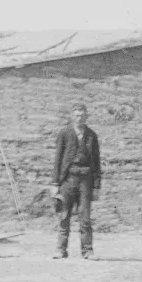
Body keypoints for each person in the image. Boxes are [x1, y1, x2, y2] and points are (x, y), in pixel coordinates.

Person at [52, 104, 103, 260]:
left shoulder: (91, 136)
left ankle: (87, 250)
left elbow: (96, 161)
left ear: (86, 116)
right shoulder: (64, 134)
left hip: (85, 180)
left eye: (82, 115)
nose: (79, 118)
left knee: (85, 216)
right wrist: (55, 184)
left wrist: (96, 186)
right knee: (64, 215)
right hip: (68, 179)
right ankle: (61, 249)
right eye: (76, 115)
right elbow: (58, 159)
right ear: (71, 116)